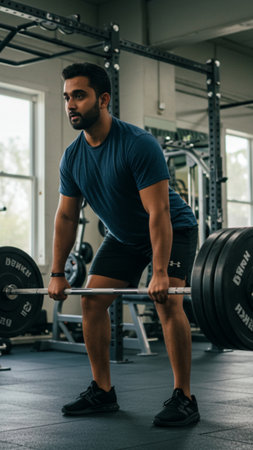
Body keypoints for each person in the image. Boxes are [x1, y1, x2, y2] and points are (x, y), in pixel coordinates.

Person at [48, 62, 200, 427]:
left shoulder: (138, 144)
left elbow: (159, 211)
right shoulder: (72, 157)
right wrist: (56, 272)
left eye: (79, 96)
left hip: (172, 229)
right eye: (67, 97)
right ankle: (102, 391)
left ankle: (185, 397)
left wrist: (160, 272)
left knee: (168, 303)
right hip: (124, 237)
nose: (71, 104)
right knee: (92, 301)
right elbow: (66, 218)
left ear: (103, 99)